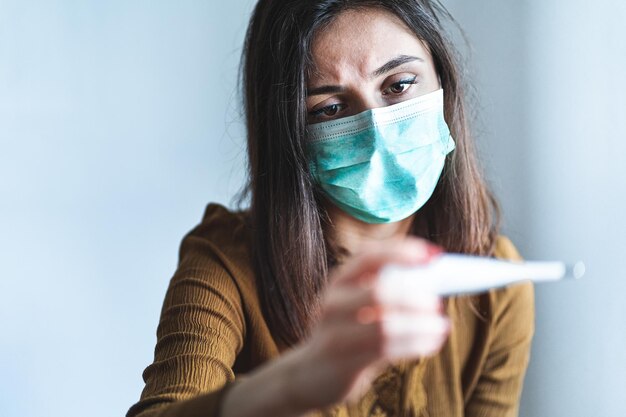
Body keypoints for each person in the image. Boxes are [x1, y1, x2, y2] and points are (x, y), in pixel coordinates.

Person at [126, 1, 534, 416]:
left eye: (399, 84)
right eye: (330, 109)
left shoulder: (497, 282)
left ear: (443, 82)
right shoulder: (226, 264)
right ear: (290, 136)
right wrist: (294, 383)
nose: (377, 128)